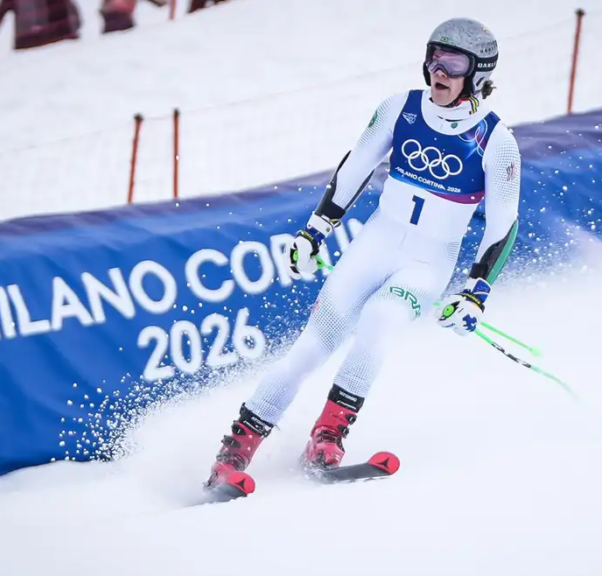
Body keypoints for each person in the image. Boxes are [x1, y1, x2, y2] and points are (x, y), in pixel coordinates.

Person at [204, 17, 522, 494]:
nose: (438, 69)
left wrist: (476, 292)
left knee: (378, 322)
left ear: (478, 74)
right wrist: (314, 232)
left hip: (426, 266)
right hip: (373, 246)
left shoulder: (496, 142)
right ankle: (233, 454)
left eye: (453, 62)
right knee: (311, 348)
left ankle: (327, 437)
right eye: (434, 56)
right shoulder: (400, 108)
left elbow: (503, 225)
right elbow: (355, 167)